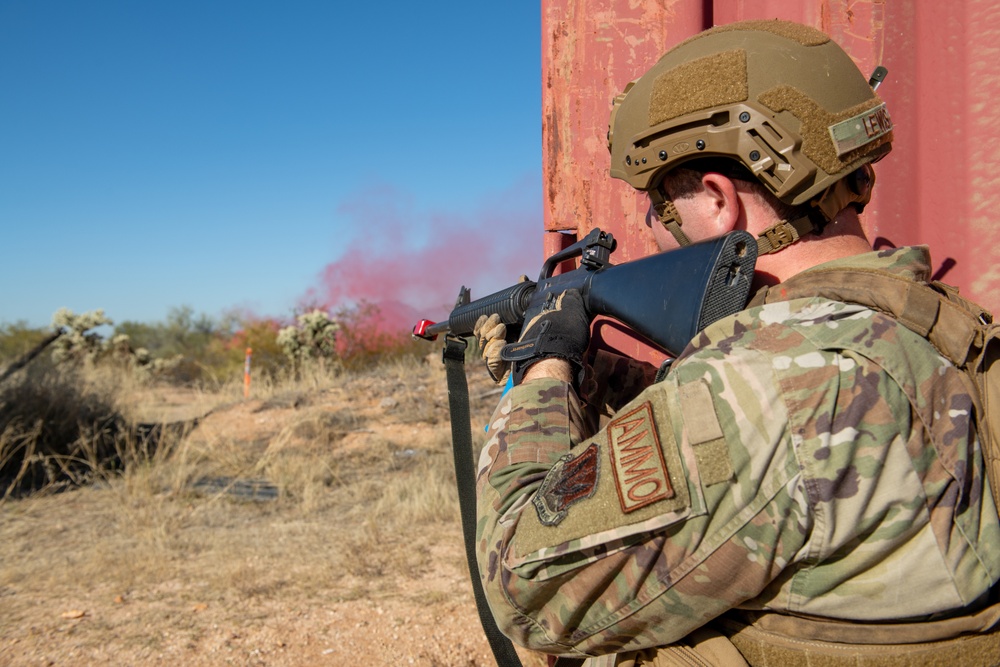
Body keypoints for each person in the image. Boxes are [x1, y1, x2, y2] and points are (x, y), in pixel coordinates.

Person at [473, 19, 1000, 666]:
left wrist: (544, 370)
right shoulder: (944, 328)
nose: (652, 230)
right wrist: (601, 375)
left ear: (720, 202)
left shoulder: (768, 388)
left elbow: (521, 584)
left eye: (656, 206)